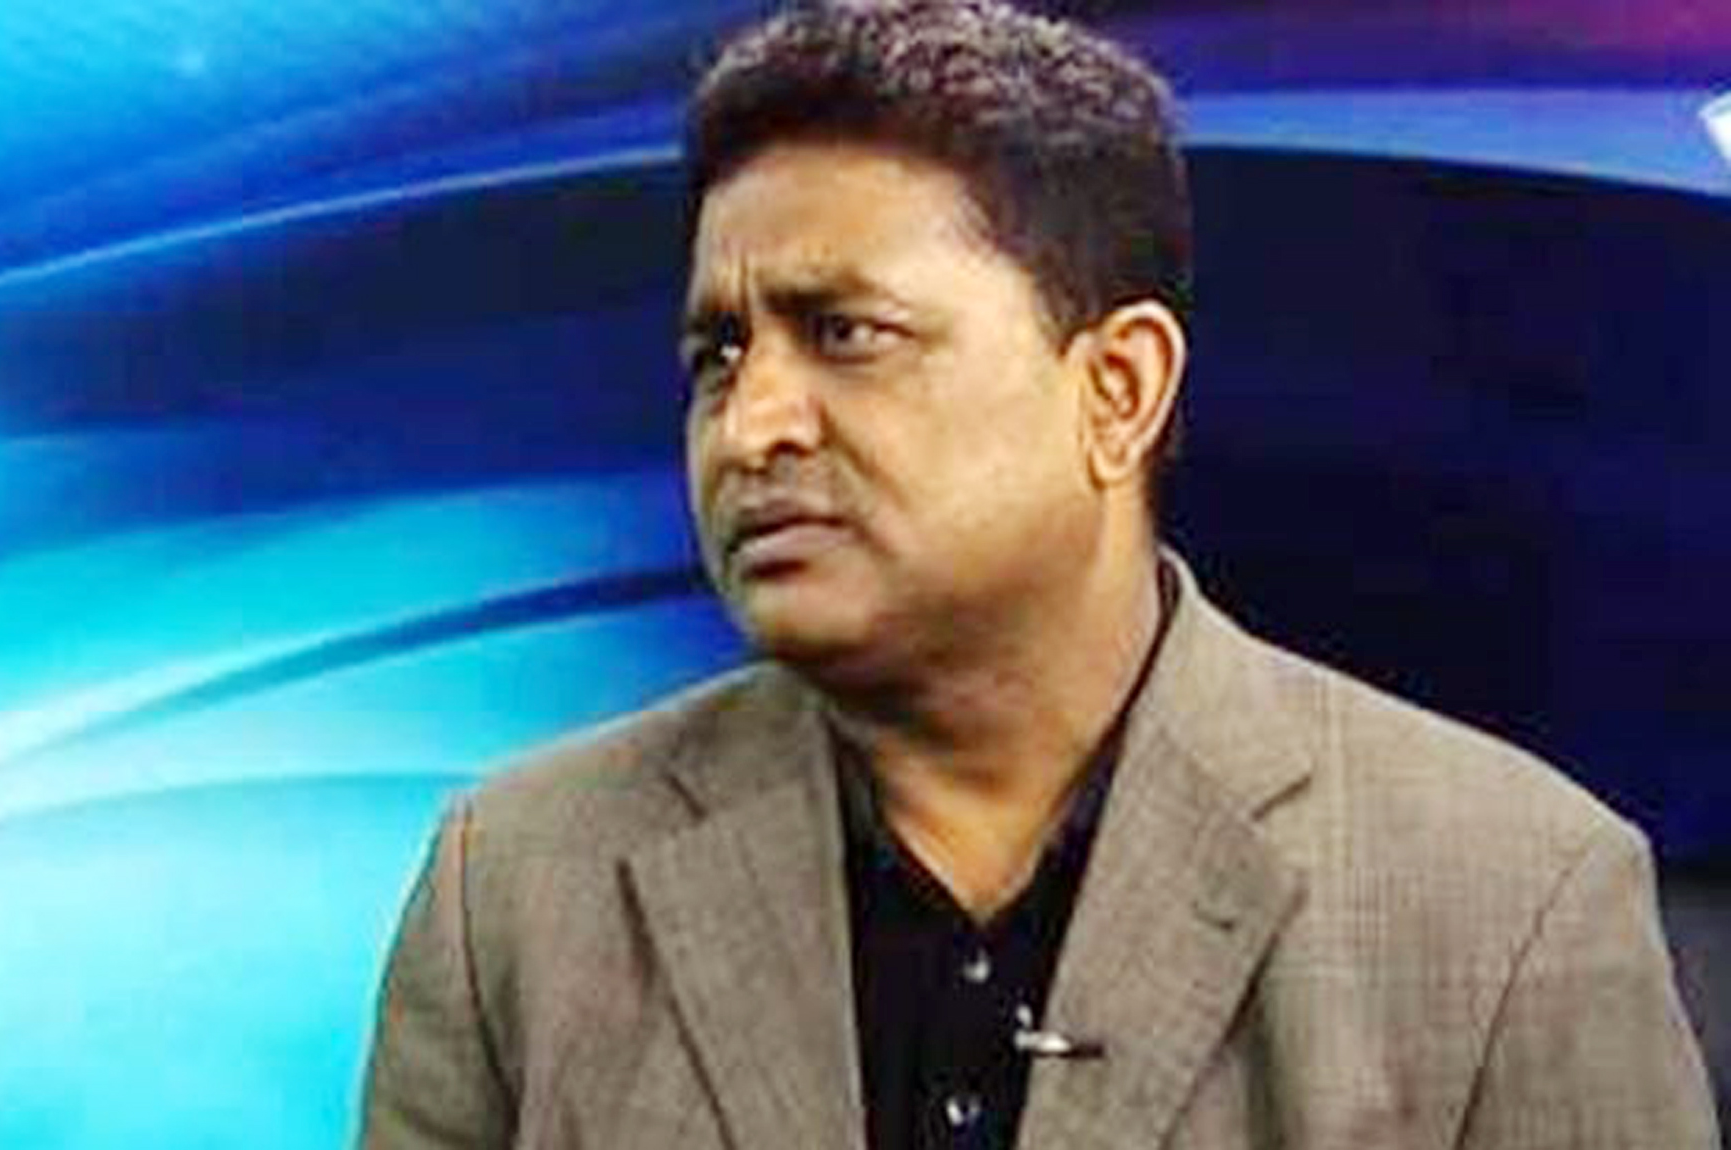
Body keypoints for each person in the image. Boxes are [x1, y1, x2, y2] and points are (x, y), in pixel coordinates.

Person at [358, 1, 1719, 1146]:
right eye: (719, 353)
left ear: (1116, 391)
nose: (750, 424)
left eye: (845, 332)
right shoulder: (520, 887)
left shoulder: (1504, 901)